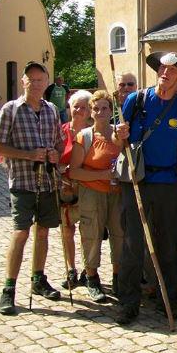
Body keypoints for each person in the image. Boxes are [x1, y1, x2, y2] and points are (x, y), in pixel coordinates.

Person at [113, 51, 177, 325]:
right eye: (162, 67)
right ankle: (128, 302)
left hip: (170, 185)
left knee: (169, 245)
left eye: (172, 70)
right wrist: (118, 135)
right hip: (136, 182)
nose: (165, 72)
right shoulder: (135, 100)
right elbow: (119, 140)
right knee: (133, 243)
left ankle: (168, 297)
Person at [0, 61, 65, 315]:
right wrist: (28, 155)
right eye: (30, 79)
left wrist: (56, 155)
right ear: (23, 82)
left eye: (40, 80)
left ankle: (38, 279)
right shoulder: (10, 110)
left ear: (46, 82)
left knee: (43, 232)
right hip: (22, 182)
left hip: (47, 182)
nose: (35, 84)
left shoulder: (52, 111)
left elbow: (59, 143)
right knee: (21, 233)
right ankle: (9, 288)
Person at [69, 90, 124, 303]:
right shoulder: (85, 137)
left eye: (104, 108)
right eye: (96, 108)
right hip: (91, 193)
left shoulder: (118, 137)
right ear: (90, 112)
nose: (100, 112)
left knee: (119, 235)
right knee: (91, 235)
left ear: (111, 111)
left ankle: (118, 276)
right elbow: (74, 171)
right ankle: (92, 278)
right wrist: (101, 174)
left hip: (116, 194)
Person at [58, 89, 93, 290]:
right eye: (75, 106)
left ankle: (89, 271)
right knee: (67, 231)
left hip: (87, 189)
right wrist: (62, 171)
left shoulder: (92, 133)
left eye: (83, 107)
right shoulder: (60, 131)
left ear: (90, 110)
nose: (79, 110)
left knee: (88, 232)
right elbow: (53, 156)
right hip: (65, 190)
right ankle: (71, 269)